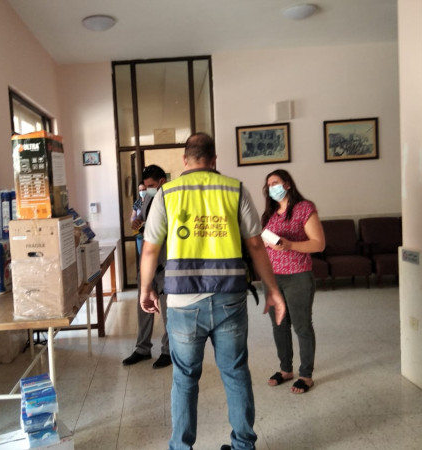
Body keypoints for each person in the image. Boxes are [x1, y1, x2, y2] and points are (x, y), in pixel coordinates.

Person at [139, 133, 286, 450]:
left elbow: (150, 249)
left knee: (184, 378)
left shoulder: (167, 192)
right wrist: (272, 289)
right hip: (229, 298)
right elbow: (256, 245)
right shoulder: (234, 189)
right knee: (235, 372)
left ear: (185, 159)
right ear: (214, 159)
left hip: (182, 302)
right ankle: (244, 445)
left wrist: (145, 289)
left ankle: (181, 447)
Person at [261, 169, 325, 394]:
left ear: (287, 184)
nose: (271, 187)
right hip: (272, 278)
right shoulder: (270, 213)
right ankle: (285, 369)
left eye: (275, 183)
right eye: (269, 185)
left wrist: (289, 245)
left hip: (298, 276)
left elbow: (318, 243)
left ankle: (306, 375)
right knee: (279, 325)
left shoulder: (304, 208)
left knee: (302, 326)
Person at [122, 165, 171, 369]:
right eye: (145, 185)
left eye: (151, 185)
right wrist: (137, 223)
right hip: (148, 262)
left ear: (161, 182)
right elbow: (141, 221)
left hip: (166, 262)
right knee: (144, 307)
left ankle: (168, 351)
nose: (147, 189)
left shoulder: (172, 199)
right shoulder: (147, 199)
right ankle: (142, 348)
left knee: (167, 309)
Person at [131, 183, 147, 255]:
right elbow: (133, 217)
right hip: (140, 233)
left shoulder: (153, 201)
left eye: (144, 189)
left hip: (150, 233)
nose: (142, 192)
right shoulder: (137, 203)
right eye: (140, 190)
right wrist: (135, 222)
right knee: (141, 254)